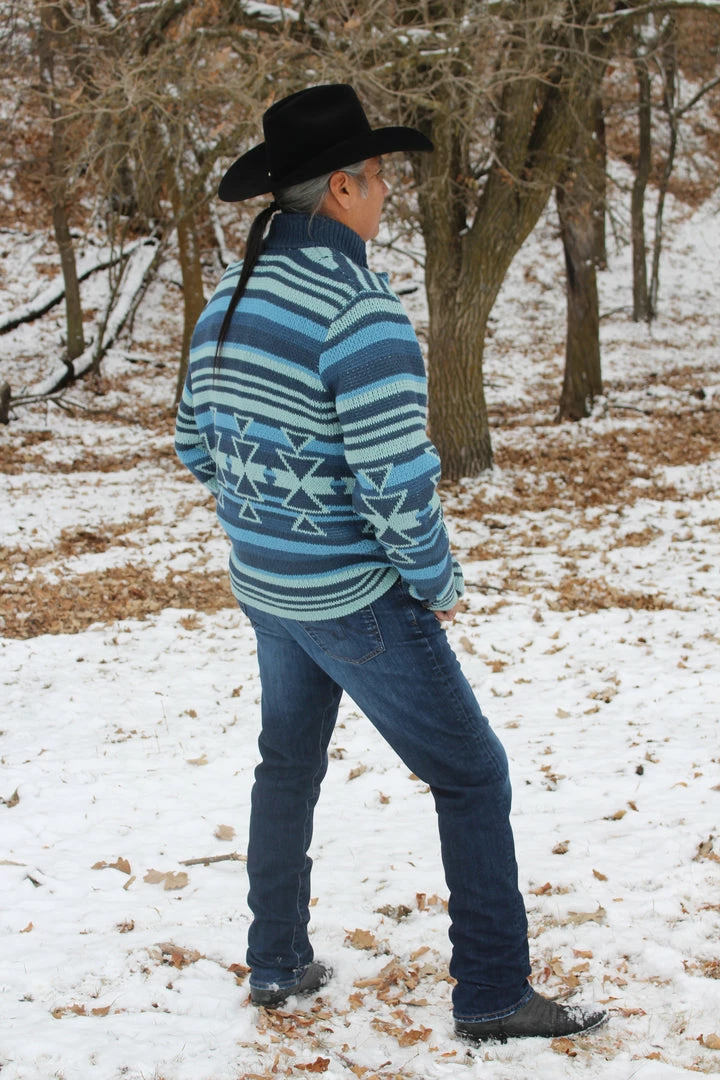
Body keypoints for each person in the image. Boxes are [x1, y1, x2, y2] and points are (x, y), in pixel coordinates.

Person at [174, 84, 606, 1043]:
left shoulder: (227, 301)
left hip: (268, 587)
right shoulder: (359, 314)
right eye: (376, 178)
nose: (384, 194)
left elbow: (193, 444)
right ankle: (493, 993)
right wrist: (437, 583)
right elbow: (398, 491)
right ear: (341, 188)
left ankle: (277, 962)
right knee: (473, 774)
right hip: (352, 597)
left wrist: (268, 513)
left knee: (287, 765)